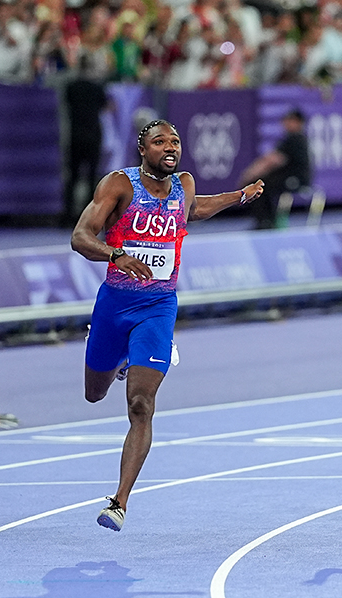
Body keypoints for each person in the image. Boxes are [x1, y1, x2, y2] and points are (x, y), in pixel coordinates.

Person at [72, 119, 263, 531]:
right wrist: (114, 255)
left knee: (140, 404)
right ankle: (120, 354)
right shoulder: (119, 186)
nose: (170, 147)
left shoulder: (185, 184)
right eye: (160, 142)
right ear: (143, 149)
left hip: (159, 306)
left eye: (175, 141)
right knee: (93, 394)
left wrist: (240, 196)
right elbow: (80, 236)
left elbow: (197, 209)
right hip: (114, 305)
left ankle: (119, 502)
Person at [240, 108, 310, 230]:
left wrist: (250, 174)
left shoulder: (295, 139)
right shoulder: (289, 139)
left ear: (298, 122)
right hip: (288, 177)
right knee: (263, 184)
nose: (286, 124)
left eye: (290, 121)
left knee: (259, 187)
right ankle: (267, 220)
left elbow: (273, 160)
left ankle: (266, 222)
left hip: (296, 179)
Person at [62, 65, 109, 228]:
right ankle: (90, 218)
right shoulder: (97, 88)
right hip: (93, 136)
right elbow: (106, 106)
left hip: (75, 136)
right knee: (91, 178)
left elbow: (67, 103)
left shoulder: (72, 87)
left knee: (73, 176)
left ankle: (67, 216)